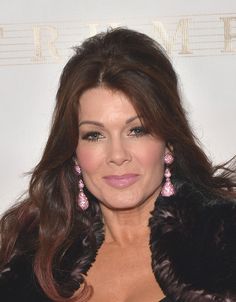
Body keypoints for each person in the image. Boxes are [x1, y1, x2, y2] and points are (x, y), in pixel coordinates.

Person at [0, 27, 236, 302]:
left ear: (168, 141)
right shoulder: (28, 265)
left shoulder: (225, 245)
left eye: (137, 130)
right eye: (94, 135)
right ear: (73, 149)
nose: (117, 154)